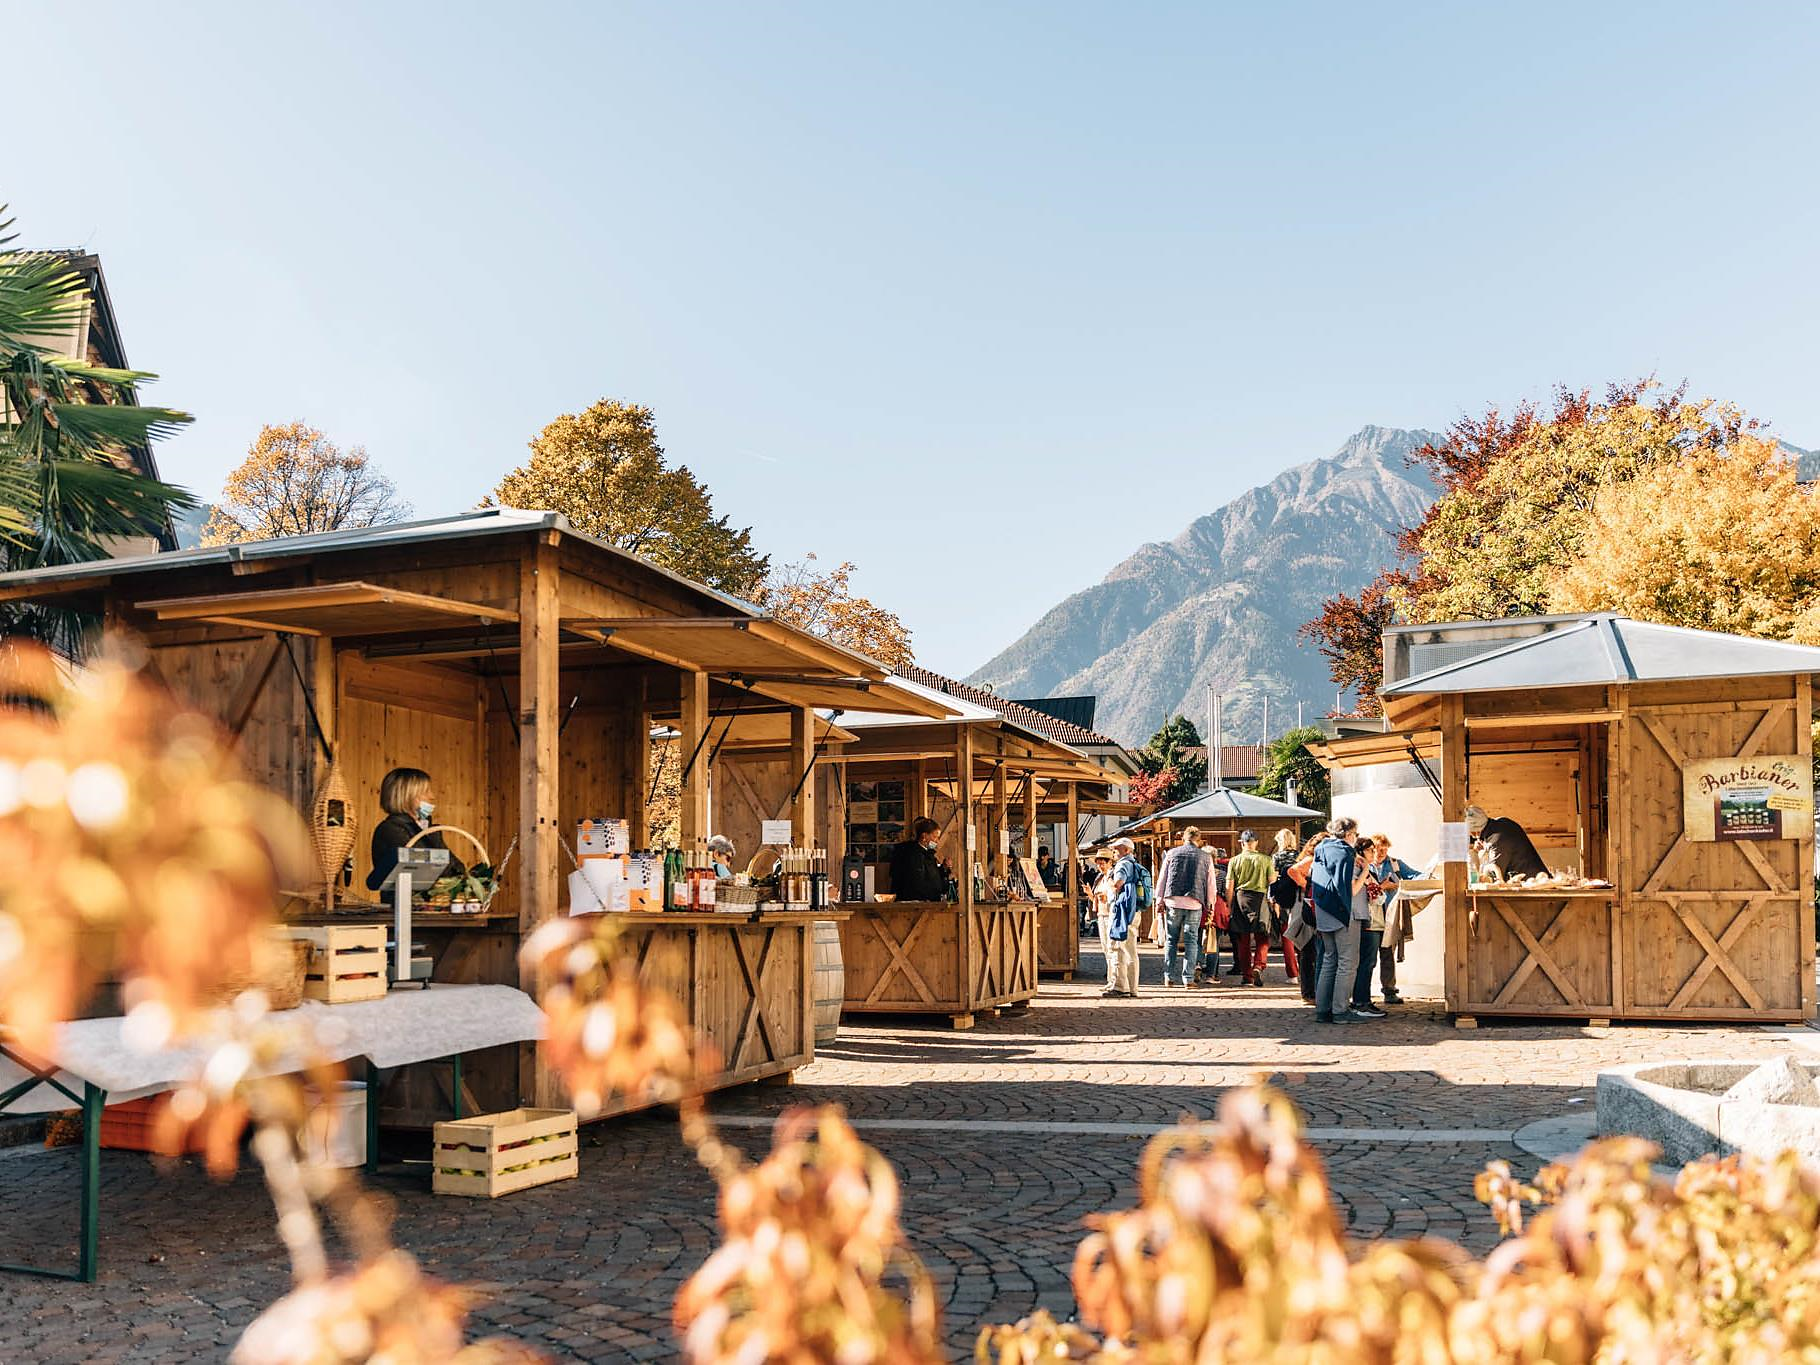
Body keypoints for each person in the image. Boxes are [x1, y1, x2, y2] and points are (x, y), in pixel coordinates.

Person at [1309, 816, 1370, 1023]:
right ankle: (1340, 1010)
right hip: (1342, 913)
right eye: (1356, 834)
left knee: (1329, 959)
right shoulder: (1345, 853)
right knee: (1347, 961)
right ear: (1350, 834)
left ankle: (1323, 1009)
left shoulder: (1322, 847)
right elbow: (1351, 890)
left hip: (1323, 911)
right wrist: (1366, 871)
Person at [367, 766, 464, 893]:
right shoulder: (390, 830)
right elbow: (433, 870)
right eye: (426, 791)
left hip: (431, 906)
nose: (432, 796)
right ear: (407, 795)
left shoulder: (427, 830)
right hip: (402, 907)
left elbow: (458, 870)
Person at [1365, 834, 1424, 1006]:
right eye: (1377, 848)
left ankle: (1389, 991)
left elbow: (1416, 876)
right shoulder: (1364, 865)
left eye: (1385, 848)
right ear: (1371, 849)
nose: (1381, 852)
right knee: (1368, 958)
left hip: (1390, 916)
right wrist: (1384, 886)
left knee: (1388, 956)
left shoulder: (1395, 864)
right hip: (1370, 918)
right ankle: (1363, 994)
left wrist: (1400, 884)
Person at [1155, 826, 1212, 988]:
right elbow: (1210, 883)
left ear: (1184, 838)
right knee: (1192, 941)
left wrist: (1159, 900)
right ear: (1198, 839)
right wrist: (1210, 904)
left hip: (1172, 900)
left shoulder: (1172, 853)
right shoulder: (1205, 857)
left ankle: (1168, 976)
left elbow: (1163, 878)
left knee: (1171, 940)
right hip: (1194, 901)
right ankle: (1188, 978)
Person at [1225, 830, 1276, 986]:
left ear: (1242, 842)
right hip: (1260, 899)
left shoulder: (1234, 861)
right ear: (1256, 842)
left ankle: (1247, 975)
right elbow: (1272, 881)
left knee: (1243, 940)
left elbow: (1229, 886)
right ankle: (1259, 965)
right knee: (1263, 936)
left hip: (1241, 898)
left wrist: (1229, 904)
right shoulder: (1266, 860)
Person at [1105, 837, 1147, 998]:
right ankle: (1132, 987)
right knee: (1131, 949)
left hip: (1122, 913)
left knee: (1117, 947)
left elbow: (1118, 884)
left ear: (1127, 850)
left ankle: (1121, 987)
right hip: (1133, 911)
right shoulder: (1134, 865)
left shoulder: (1122, 864)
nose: (1114, 852)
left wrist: (1109, 881)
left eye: (1117, 849)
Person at [1286, 832, 1325, 1004]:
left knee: (1309, 952)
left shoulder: (1313, 858)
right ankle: (1309, 992)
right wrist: (1308, 885)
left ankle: (1310, 991)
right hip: (1307, 908)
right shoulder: (1312, 859)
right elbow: (1292, 871)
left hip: (1307, 907)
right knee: (1308, 951)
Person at [1466, 805, 1549, 880]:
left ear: (1475, 832)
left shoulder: (1497, 841)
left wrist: (1479, 853)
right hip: (1539, 878)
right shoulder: (1503, 822)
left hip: (1533, 887)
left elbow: (1492, 877)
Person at [1269, 829, 1302, 984]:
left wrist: (1272, 899)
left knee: (1286, 935)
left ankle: (1293, 973)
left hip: (1283, 899)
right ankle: (1306, 970)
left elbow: (1273, 880)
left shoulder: (1276, 857)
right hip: (1299, 897)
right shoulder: (1299, 856)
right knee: (1303, 934)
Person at [889, 818, 950, 900]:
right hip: (917, 903)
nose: (937, 841)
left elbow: (933, 877)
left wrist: (944, 869)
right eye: (935, 837)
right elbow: (917, 882)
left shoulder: (929, 854)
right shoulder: (913, 854)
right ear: (924, 836)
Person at [1089, 850, 1119, 988]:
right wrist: (1091, 894)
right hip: (1101, 914)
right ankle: (1110, 979)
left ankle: (1114, 980)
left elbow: (1115, 894)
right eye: (1098, 864)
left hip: (1111, 914)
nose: (1100, 866)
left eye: (1102, 863)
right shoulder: (1099, 878)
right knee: (1105, 948)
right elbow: (1095, 898)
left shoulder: (1113, 876)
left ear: (1109, 863)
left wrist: (1106, 897)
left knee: (1112, 948)